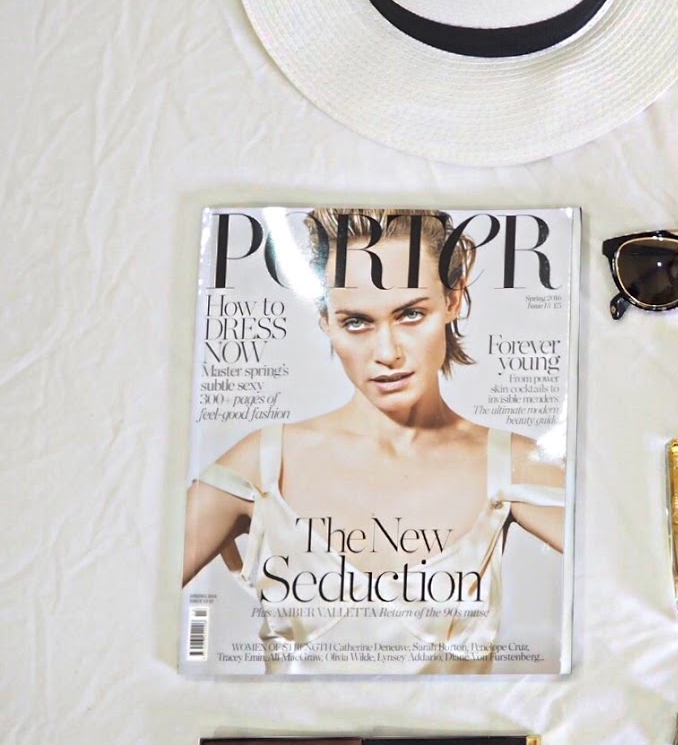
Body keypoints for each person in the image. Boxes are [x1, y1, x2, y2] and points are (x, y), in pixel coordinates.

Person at [182, 209, 564, 674]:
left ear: (453, 299)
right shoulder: (264, 462)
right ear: (325, 320)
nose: (387, 353)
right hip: (294, 727)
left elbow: (630, 570)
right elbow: (123, 594)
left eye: (411, 314)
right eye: (357, 322)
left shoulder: (512, 462)